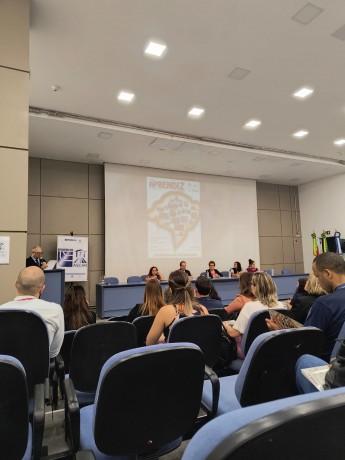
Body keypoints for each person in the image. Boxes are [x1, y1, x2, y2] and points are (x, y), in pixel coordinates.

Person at [268, 252, 345, 362]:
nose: (317, 282)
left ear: (328, 274)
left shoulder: (324, 304)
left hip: (324, 368)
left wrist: (281, 332)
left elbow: (305, 345)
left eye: (317, 276)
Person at [0, 266, 64, 358]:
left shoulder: (1, 311)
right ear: (42, 288)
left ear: (15, 284)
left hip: (6, 371)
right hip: (39, 371)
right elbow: (53, 353)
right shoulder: (55, 311)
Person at [223, 271, 285, 358]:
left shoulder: (250, 306)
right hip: (274, 349)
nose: (251, 286)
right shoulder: (281, 305)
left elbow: (233, 333)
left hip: (251, 352)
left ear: (256, 287)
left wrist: (226, 326)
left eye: (252, 284)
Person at [146, 270, 208, 345]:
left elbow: (149, 343)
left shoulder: (165, 311)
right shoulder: (203, 309)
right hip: (199, 355)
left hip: (175, 355)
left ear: (170, 290)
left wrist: (163, 339)